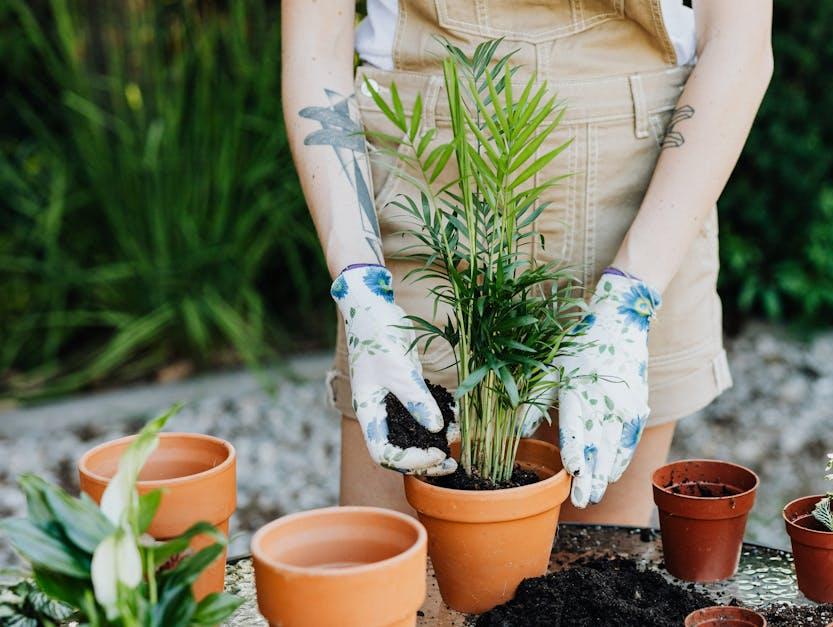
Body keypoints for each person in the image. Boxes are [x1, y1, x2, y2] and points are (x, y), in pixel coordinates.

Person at [282, 0, 773, 525]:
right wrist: (360, 288)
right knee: (395, 579)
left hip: (638, 198)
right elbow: (315, 49)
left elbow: (738, 42)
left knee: (597, 585)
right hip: (426, 180)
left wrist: (631, 296)